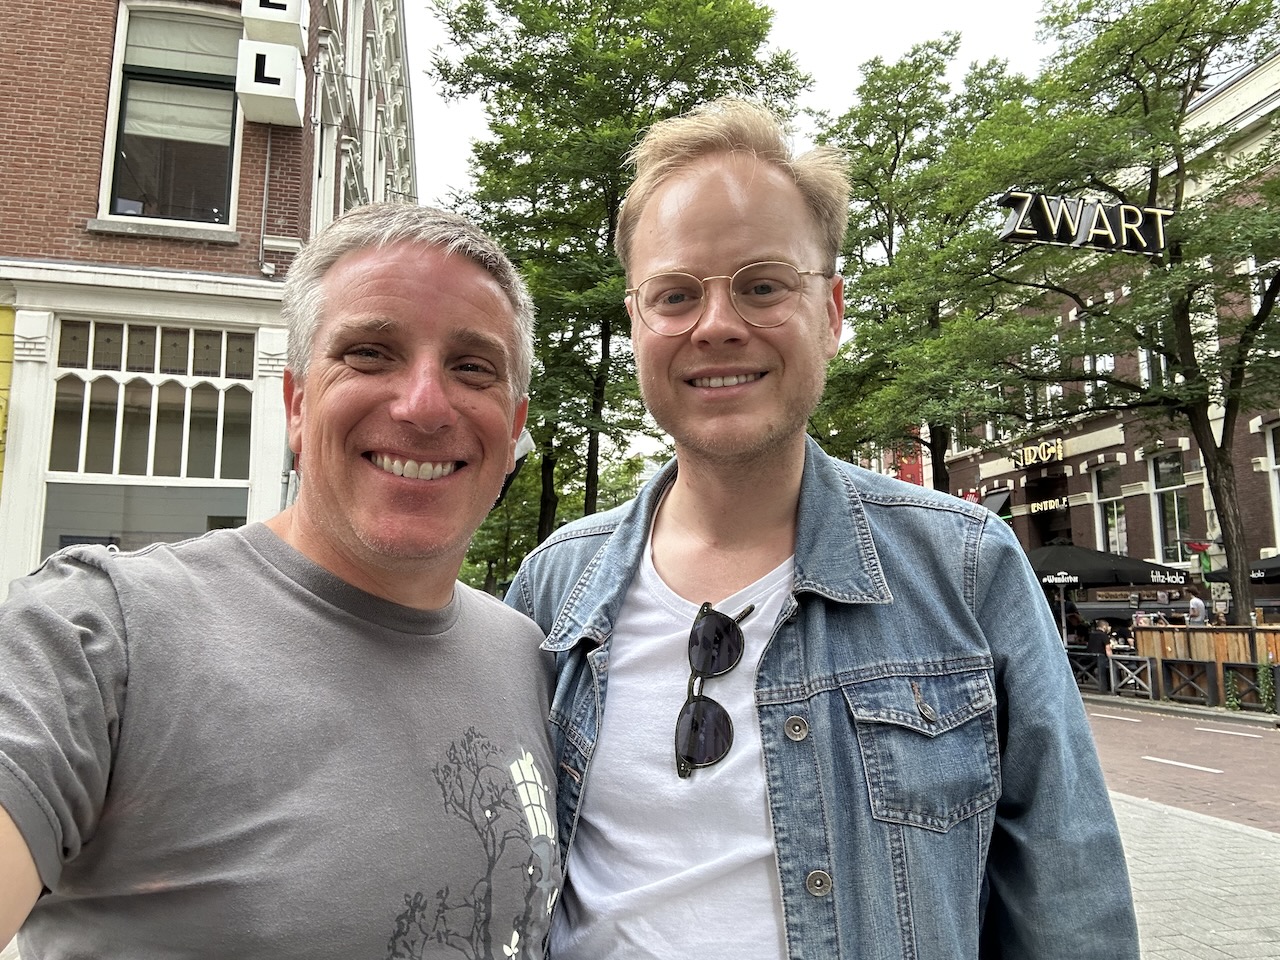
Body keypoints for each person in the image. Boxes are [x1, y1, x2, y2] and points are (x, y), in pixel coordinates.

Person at [505, 99, 1139, 958]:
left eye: (763, 285)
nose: (716, 324)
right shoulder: (552, 590)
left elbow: (1071, 913)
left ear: (833, 312)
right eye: (676, 295)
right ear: (637, 324)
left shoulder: (967, 570)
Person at [0, 203, 560, 958]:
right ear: (297, 405)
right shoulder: (99, 636)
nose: (425, 405)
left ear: (513, 424)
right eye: (370, 353)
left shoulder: (529, 658)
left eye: (472, 367)